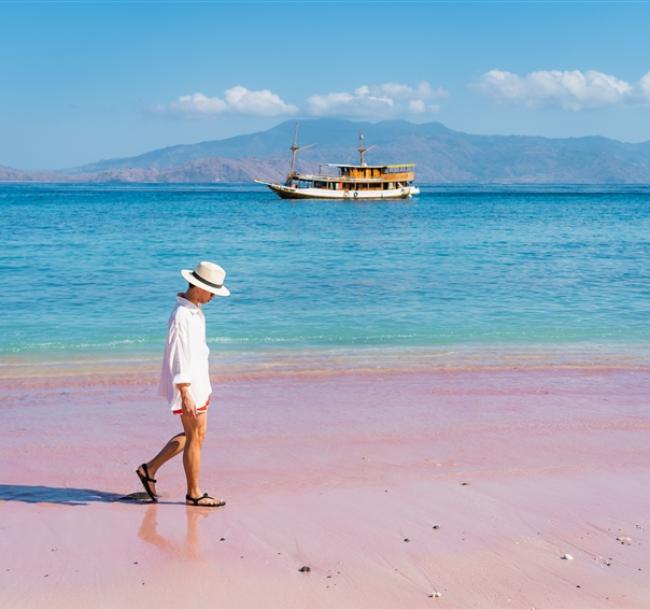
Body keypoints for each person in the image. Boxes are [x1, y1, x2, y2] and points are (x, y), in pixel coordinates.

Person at [136, 261, 230, 507]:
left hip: (198, 381)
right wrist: (184, 390)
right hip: (188, 384)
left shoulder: (195, 311)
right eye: (212, 292)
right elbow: (177, 354)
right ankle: (194, 494)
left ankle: (149, 469)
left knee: (197, 435)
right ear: (199, 287)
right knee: (194, 435)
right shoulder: (181, 316)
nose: (213, 297)